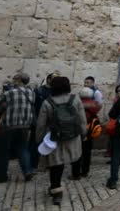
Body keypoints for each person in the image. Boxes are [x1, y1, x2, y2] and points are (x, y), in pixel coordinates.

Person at [36, 76, 87, 205]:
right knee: (71, 159)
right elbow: (82, 120)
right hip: (72, 138)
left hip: (55, 138)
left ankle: (56, 192)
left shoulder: (47, 102)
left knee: (56, 165)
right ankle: (75, 175)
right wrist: (83, 134)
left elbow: (41, 124)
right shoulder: (75, 99)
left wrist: (39, 139)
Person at [0, 73, 35, 183]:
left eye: (14, 79)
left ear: (18, 80)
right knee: (23, 149)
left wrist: (3, 92)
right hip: (24, 126)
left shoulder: (10, 93)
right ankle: (27, 171)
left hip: (8, 125)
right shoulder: (31, 93)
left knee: (3, 152)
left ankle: (1, 176)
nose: (12, 81)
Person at [29, 73, 57, 170]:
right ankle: (33, 163)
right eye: (54, 79)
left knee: (50, 143)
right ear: (48, 79)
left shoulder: (56, 91)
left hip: (51, 122)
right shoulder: (39, 91)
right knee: (35, 141)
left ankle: (48, 163)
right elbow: (33, 106)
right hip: (39, 120)